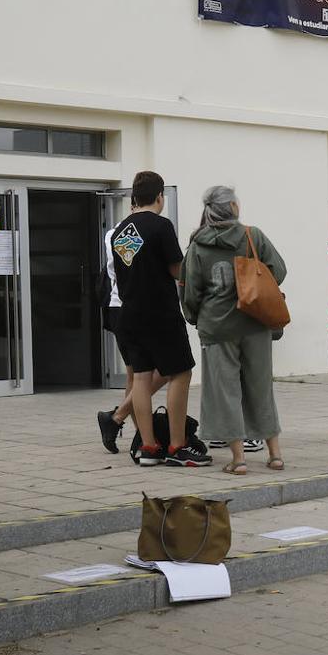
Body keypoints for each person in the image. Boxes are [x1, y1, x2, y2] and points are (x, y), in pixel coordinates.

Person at [180, 186, 287, 475]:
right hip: (255, 322)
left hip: (217, 327)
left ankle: (238, 459)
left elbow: (190, 291)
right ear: (234, 208)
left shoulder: (198, 245)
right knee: (260, 387)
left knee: (224, 391)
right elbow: (279, 270)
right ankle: (275, 455)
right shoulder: (253, 236)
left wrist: (195, 318)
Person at [108, 171, 209, 467]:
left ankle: (149, 447)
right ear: (160, 197)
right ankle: (178, 445)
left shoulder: (120, 231)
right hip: (159, 312)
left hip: (129, 313)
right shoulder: (161, 226)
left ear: (133, 198)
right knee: (180, 372)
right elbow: (177, 270)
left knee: (141, 377)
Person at [96, 203, 166, 453]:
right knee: (148, 371)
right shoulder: (124, 233)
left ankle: (128, 425)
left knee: (137, 373)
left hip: (121, 307)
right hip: (128, 305)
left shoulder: (116, 233)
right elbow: (135, 268)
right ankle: (123, 420)